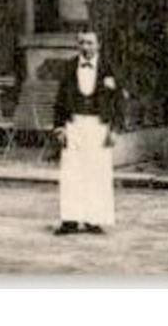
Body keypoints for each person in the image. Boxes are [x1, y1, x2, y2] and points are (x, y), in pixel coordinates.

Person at [52, 29, 121, 235]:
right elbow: (60, 100)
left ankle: (93, 219)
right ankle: (70, 219)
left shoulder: (109, 68)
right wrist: (59, 127)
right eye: (82, 42)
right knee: (72, 171)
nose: (86, 47)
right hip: (75, 124)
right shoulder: (69, 67)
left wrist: (115, 128)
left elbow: (118, 101)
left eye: (90, 43)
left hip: (98, 126)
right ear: (77, 45)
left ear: (98, 45)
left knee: (97, 172)